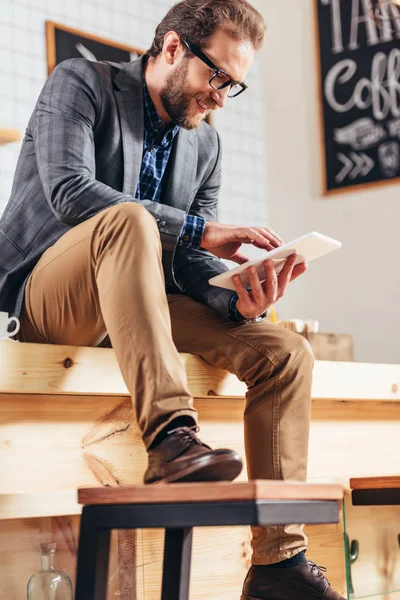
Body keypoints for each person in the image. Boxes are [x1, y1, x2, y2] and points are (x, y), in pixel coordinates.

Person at [0, 1, 345, 598]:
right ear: (173, 48)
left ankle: (277, 564)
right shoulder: (81, 82)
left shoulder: (204, 147)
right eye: (219, 76)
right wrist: (200, 232)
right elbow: (69, 191)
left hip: (144, 311)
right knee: (129, 219)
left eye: (234, 86)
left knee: (284, 352)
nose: (221, 96)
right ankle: (171, 439)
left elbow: (187, 264)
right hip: (48, 299)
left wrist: (237, 297)